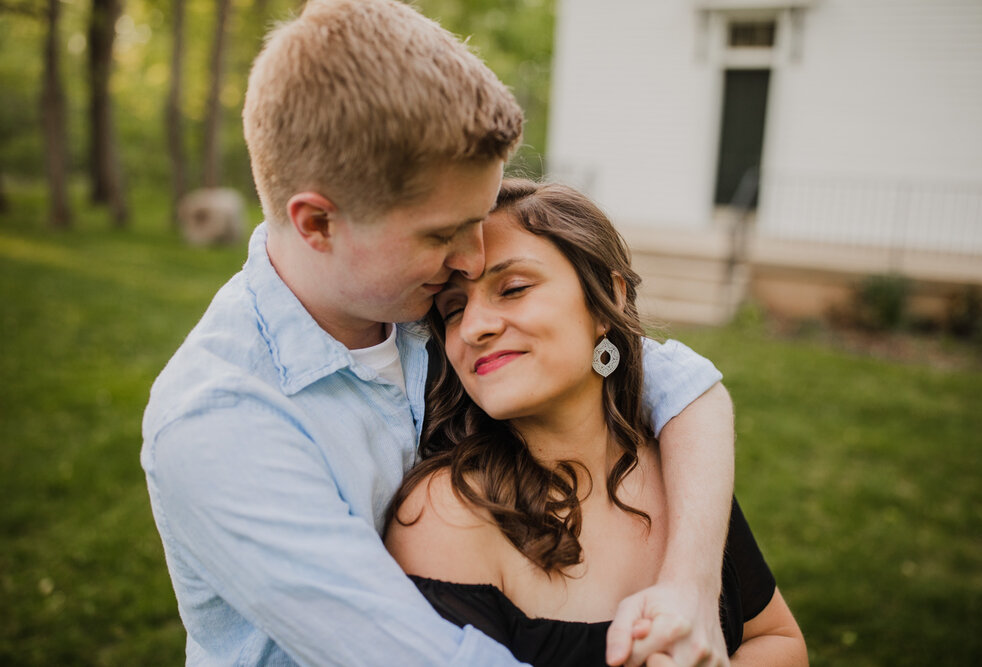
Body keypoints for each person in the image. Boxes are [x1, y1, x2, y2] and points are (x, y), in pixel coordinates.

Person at [141, 1, 735, 664]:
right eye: (441, 234)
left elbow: (676, 380)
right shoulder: (219, 423)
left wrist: (691, 586)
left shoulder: (422, 307)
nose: (473, 258)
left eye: (477, 219)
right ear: (317, 224)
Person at [385, 179, 809, 667]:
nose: (475, 326)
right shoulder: (450, 514)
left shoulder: (685, 474)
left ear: (606, 297)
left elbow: (777, 640)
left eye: (514, 288)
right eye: (453, 309)